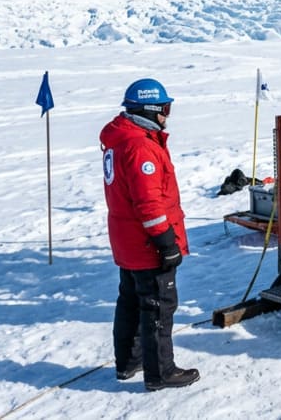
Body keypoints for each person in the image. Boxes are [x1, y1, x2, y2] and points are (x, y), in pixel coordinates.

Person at [100, 78, 200, 391]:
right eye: (165, 109)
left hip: (127, 240)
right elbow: (148, 203)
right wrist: (165, 241)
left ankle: (129, 362)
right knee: (158, 306)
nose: (167, 116)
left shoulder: (122, 138)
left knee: (130, 300)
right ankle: (161, 372)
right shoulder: (140, 146)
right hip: (146, 243)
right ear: (151, 110)